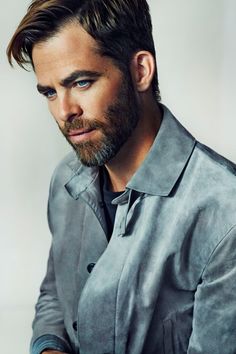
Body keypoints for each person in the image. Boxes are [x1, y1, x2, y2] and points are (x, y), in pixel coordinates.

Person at [7, 0, 236, 353]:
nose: (64, 111)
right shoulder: (65, 181)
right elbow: (55, 293)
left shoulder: (224, 211)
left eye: (81, 82)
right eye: (50, 92)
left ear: (141, 71)